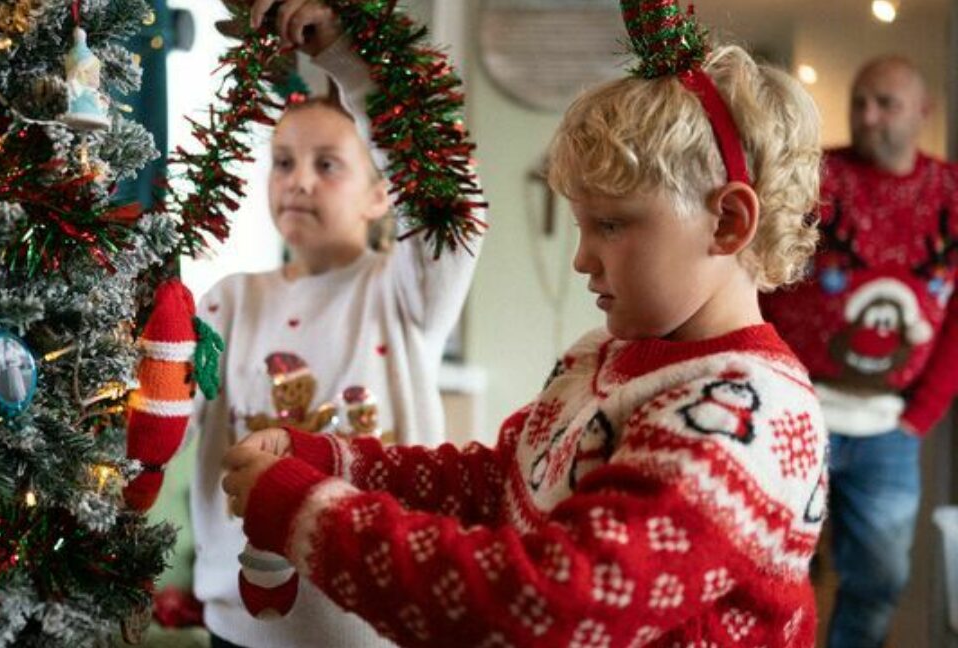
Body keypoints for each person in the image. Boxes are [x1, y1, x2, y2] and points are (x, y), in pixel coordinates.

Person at [221, 1, 829, 645]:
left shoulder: (750, 417)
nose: (582, 258)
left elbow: (555, 601)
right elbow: (498, 483)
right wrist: (331, 460)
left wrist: (307, 514)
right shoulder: (604, 354)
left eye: (613, 225)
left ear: (729, 222)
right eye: (583, 226)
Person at [189, 1, 485, 646]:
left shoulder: (402, 293)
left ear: (382, 194)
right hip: (238, 628)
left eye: (327, 164)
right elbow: (163, 410)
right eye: (283, 161)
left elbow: (448, 196)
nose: (298, 181)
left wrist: (349, 59)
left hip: (370, 627)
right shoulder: (227, 301)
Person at [760, 55, 958, 648]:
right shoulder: (815, 179)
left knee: (879, 577)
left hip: (889, 426)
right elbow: (764, 269)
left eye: (886, 104)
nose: (868, 116)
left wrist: (921, 414)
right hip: (795, 408)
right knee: (768, 563)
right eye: (859, 102)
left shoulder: (952, 195)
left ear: (922, 111)